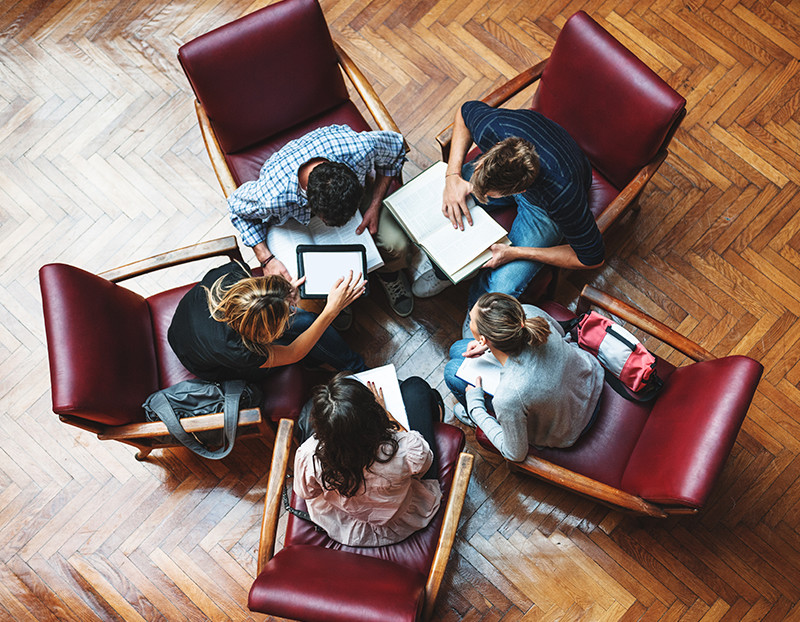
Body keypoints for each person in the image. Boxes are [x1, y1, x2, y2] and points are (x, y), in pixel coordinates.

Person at [413, 101, 605, 325]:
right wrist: (453, 176)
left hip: (544, 208)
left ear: (519, 192)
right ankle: (443, 273)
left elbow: (592, 258)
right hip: (524, 165)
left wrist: (517, 253)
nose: (476, 191)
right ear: (487, 155)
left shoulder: (563, 196)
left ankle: (477, 315)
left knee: (501, 287)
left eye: (489, 195)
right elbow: (464, 112)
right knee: (443, 211)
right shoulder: (493, 127)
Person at [227, 124, 416, 319]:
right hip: (290, 222)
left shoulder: (359, 149)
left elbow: (396, 147)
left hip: (350, 192)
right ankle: (333, 301)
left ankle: (390, 275)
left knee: (397, 245)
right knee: (301, 284)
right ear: (309, 205)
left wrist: (374, 204)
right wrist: (266, 259)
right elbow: (235, 207)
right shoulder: (272, 195)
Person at [443, 292, 603, 462]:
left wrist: (476, 408)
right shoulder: (529, 313)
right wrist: (491, 346)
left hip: (568, 429)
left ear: (482, 339)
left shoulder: (508, 397)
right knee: (457, 350)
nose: (470, 321)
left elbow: (515, 454)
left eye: (471, 320)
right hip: (590, 377)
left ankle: (475, 417)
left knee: (452, 373)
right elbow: (561, 333)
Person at [293, 374, 443, 547]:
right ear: (374, 415)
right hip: (401, 519)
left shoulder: (308, 455)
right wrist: (392, 421)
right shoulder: (403, 448)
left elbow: (306, 493)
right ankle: (437, 408)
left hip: (346, 524)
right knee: (415, 387)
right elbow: (424, 465)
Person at [168, 261, 366, 382]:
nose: (291, 308)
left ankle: (342, 364)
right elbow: (293, 353)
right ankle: (357, 369)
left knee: (305, 322)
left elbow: (259, 296)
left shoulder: (232, 273)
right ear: (263, 335)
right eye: (286, 314)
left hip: (183, 327)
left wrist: (281, 294)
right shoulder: (239, 350)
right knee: (304, 325)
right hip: (207, 363)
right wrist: (330, 311)